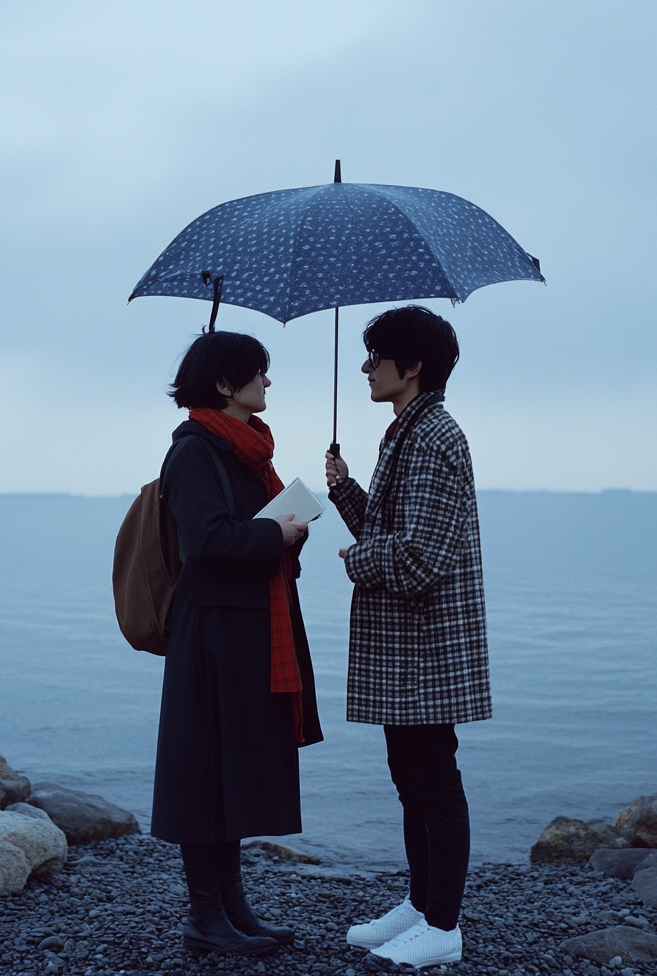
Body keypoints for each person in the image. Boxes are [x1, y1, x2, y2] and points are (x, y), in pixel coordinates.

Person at [325, 305, 490, 971]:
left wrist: (355, 561)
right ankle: (421, 906)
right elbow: (394, 529)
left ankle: (443, 926)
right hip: (408, 645)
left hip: (425, 646)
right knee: (411, 777)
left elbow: (421, 557)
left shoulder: (431, 439)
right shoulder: (407, 432)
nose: (365, 367)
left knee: (432, 781)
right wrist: (345, 494)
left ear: (413, 366)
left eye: (376, 356)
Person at [152, 330, 323, 958]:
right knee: (205, 774)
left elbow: (245, 533)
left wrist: (287, 530)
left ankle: (230, 907)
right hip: (214, 636)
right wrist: (277, 534)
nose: (268, 382)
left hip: (245, 627)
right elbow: (209, 545)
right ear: (225, 384)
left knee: (229, 772)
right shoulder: (196, 450)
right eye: (259, 372)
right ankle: (205, 917)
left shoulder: (241, 450)